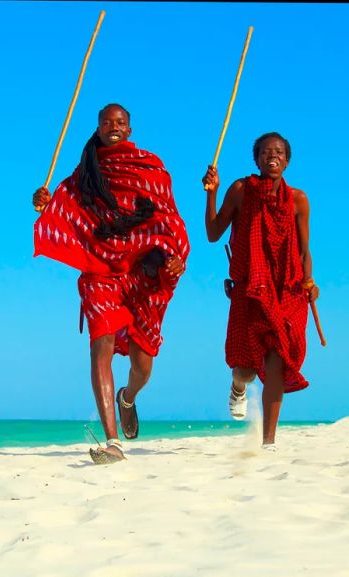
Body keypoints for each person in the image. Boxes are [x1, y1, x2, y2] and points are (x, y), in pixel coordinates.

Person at [33, 104, 189, 464]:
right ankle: (113, 441)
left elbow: (168, 219)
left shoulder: (150, 168)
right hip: (100, 268)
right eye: (106, 122)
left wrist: (173, 257)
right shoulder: (86, 171)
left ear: (130, 129)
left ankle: (128, 398)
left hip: (142, 272)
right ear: (99, 128)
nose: (113, 127)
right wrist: (45, 202)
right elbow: (66, 206)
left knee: (143, 364)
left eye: (120, 122)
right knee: (100, 344)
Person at [202, 132, 319, 448]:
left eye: (279, 152)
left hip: (287, 290)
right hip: (250, 288)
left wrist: (309, 281)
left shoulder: (298, 200)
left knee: (277, 358)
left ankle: (268, 442)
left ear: (287, 160)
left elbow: (305, 249)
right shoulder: (241, 190)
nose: (273, 156)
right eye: (266, 152)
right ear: (256, 159)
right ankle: (237, 387)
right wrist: (211, 194)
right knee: (245, 370)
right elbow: (214, 233)